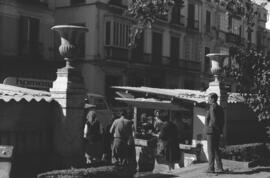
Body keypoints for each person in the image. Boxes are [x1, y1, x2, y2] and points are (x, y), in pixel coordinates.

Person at [205, 93, 225, 173]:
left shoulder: (212, 107)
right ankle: (220, 167)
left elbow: (213, 120)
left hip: (211, 131)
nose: (208, 99)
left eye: (209, 98)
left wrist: (210, 128)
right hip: (217, 131)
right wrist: (219, 130)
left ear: (213, 99)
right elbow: (222, 121)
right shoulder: (220, 108)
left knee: (210, 150)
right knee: (216, 150)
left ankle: (211, 168)